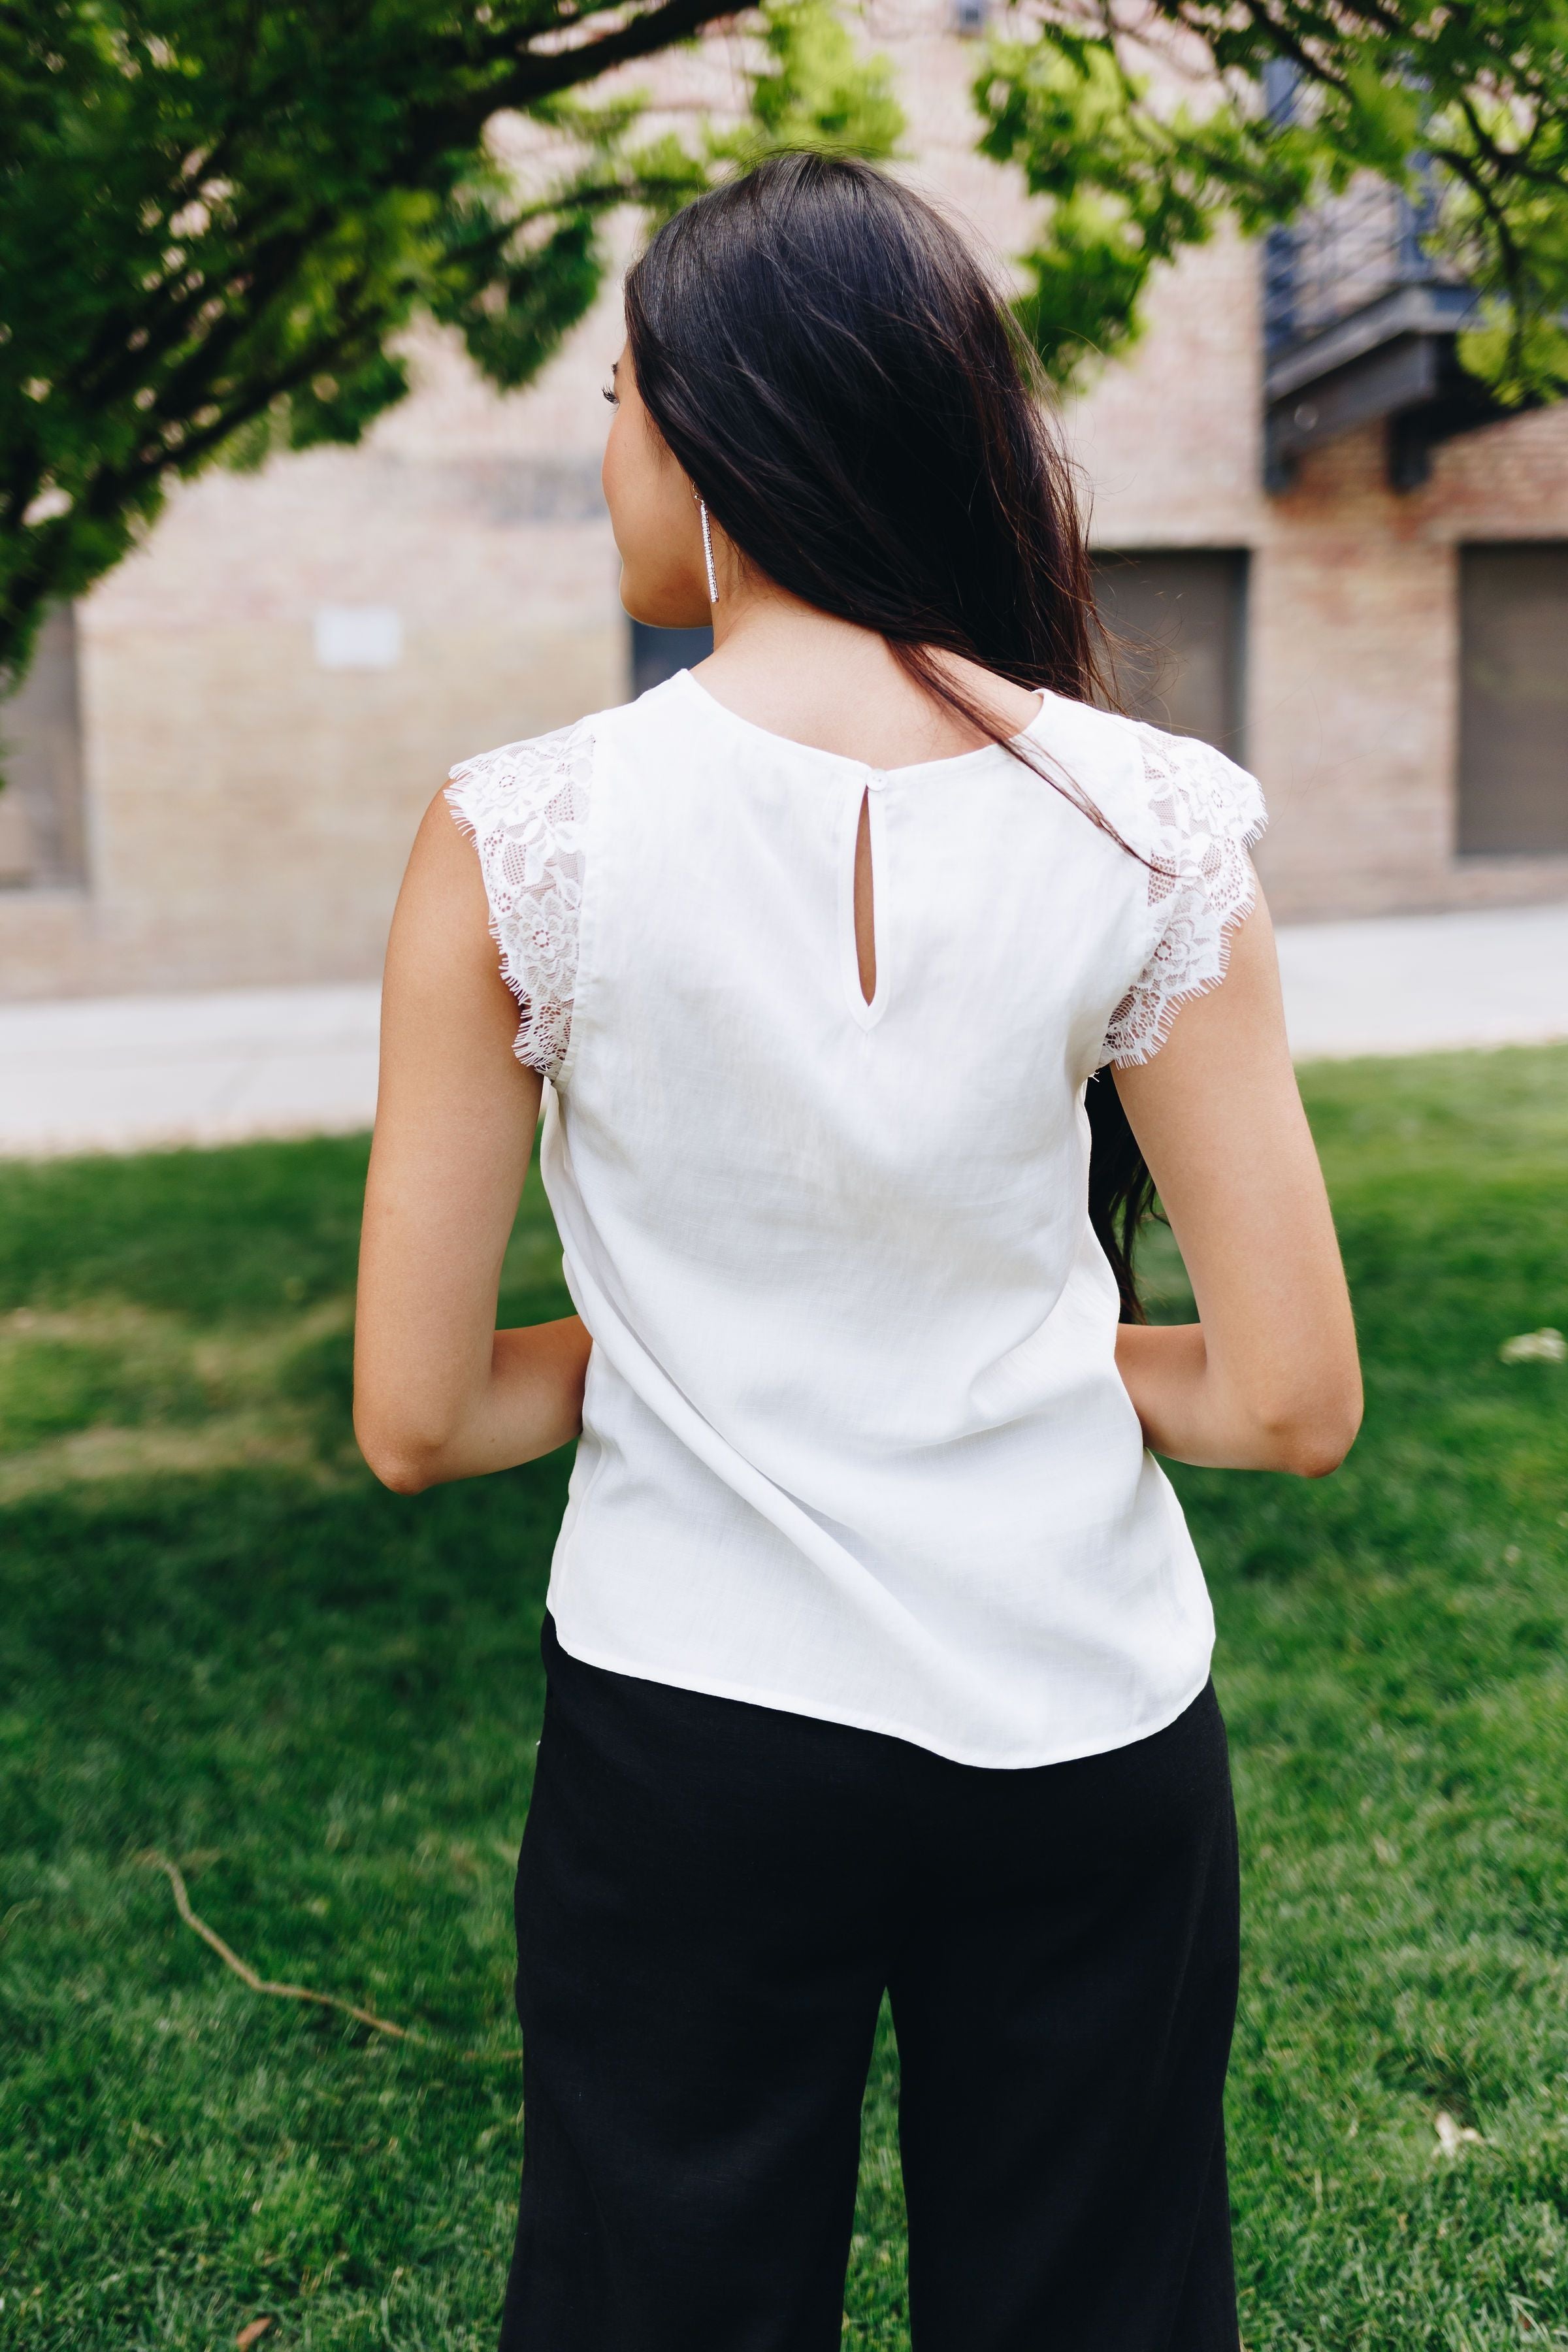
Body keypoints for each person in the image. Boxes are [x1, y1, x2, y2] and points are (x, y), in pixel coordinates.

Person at [353, 151, 1362, 2352]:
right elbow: (1290, 1402)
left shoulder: (519, 836)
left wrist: (716, 1354)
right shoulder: (1154, 819)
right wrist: (990, 1358)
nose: (604, 444)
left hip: (691, 1730)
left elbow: (419, 1419)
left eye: (616, 394)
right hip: (1088, 1719)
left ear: (718, 439)